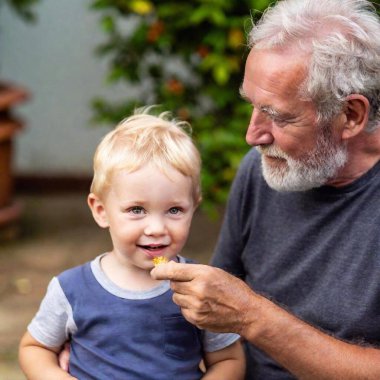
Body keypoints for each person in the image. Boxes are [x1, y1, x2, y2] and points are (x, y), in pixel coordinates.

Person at [151, 0, 380, 378]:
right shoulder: (264, 170)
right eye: (252, 107)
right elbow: (216, 322)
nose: (252, 135)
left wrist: (254, 317)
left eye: (277, 115)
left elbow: (240, 312)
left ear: (351, 115)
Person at [18, 109, 245, 379]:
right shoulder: (71, 290)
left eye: (174, 210)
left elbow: (229, 360)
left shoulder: (200, 289)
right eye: (137, 209)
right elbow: (34, 348)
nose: (156, 228)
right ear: (101, 210)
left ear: (193, 208)